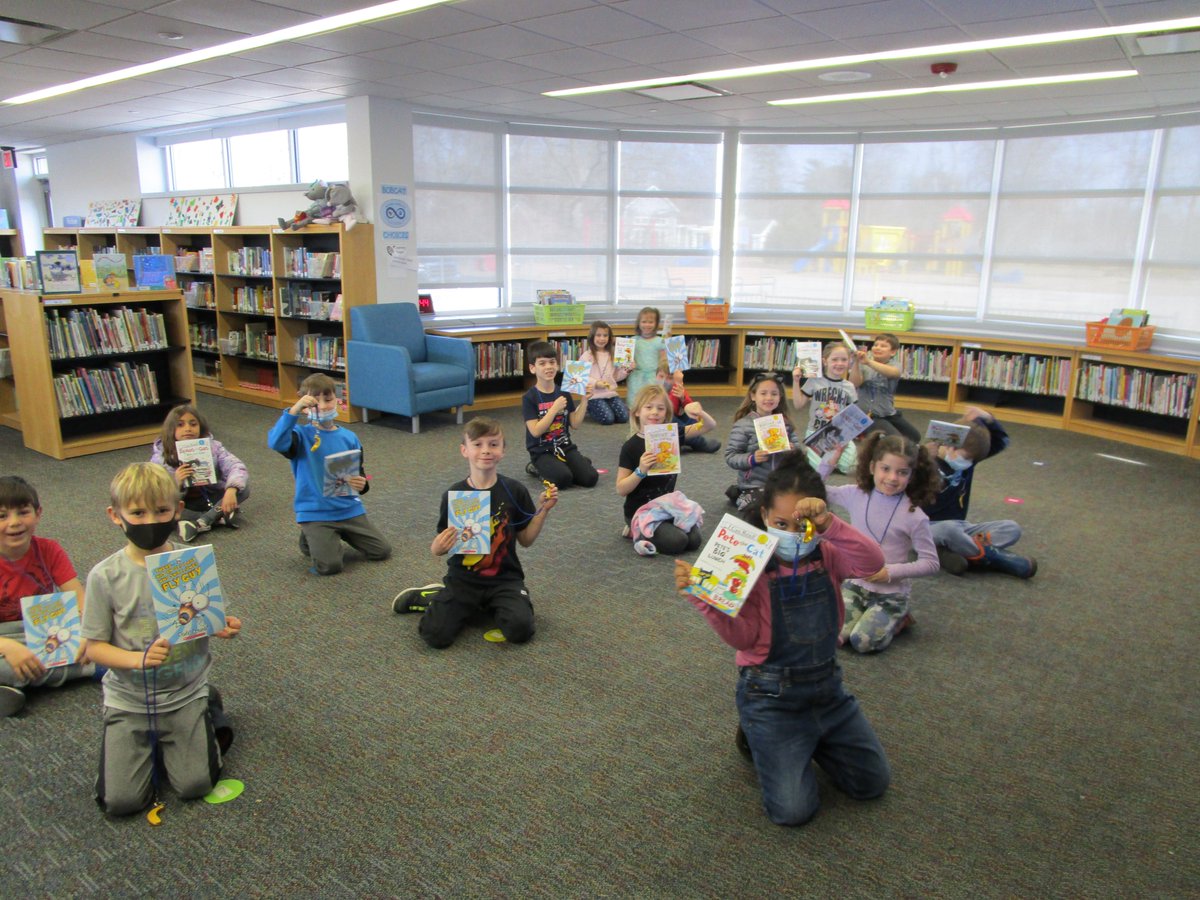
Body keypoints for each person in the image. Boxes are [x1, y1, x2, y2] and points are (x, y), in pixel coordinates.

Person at [673, 452, 890, 826]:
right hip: (770, 695)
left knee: (872, 783)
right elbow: (743, 639)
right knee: (793, 811)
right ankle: (762, 734)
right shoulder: (751, 563)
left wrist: (830, 525)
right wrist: (705, 599)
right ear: (763, 518)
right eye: (781, 523)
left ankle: (812, 740)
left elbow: (872, 563)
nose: (792, 533)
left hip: (828, 691)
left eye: (803, 524)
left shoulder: (828, 554)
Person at [81, 463, 241, 816]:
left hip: (184, 690)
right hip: (129, 698)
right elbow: (94, 647)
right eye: (137, 513)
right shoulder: (105, 577)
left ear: (177, 511)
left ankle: (208, 708)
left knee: (195, 785)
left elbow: (207, 617)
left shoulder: (189, 564)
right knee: (121, 802)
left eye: (161, 511)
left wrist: (221, 625)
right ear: (115, 515)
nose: (149, 520)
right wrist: (137, 660)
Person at [392, 417, 558, 649]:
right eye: (478, 444)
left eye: (493, 444)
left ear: (503, 450)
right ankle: (433, 596)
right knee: (434, 635)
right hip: (464, 580)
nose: (486, 451)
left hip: (505, 579)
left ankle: (486, 605)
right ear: (464, 450)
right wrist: (437, 548)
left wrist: (543, 511)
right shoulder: (455, 494)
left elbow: (526, 540)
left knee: (520, 630)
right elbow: (441, 544)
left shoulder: (514, 490)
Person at [821, 433, 940, 653]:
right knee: (833, 636)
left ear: (912, 476)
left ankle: (900, 618)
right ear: (872, 467)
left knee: (862, 643)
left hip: (890, 594)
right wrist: (831, 459)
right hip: (855, 584)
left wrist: (890, 572)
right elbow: (815, 490)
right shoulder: (855, 494)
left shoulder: (915, 515)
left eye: (902, 472)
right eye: (886, 469)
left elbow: (931, 563)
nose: (893, 478)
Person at [268, 373, 392, 575]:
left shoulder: (349, 436)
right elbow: (276, 442)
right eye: (315, 402)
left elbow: (359, 472)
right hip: (316, 511)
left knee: (382, 551)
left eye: (328, 399)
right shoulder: (300, 435)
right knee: (330, 566)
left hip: (348, 508)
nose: (323, 406)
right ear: (306, 407)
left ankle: (329, 535)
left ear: (337, 400)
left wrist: (363, 484)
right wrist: (293, 411)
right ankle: (310, 536)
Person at [0, 475, 95, 717]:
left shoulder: (48, 549)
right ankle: (93, 668)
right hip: (4, 636)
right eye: (2, 516)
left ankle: (20, 680)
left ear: (38, 513)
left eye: (23, 512)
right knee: (8, 663)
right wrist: (8, 646)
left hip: (46, 631)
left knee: (110, 623)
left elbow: (79, 599)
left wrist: (86, 633)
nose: (14, 523)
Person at [922, 406, 1037, 578]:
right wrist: (920, 454)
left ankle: (956, 552)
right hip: (924, 529)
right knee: (950, 530)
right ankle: (992, 557)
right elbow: (896, 466)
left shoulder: (966, 465)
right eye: (966, 458)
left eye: (972, 460)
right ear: (949, 446)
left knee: (1011, 528)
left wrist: (988, 418)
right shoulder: (925, 464)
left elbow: (1001, 441)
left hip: (961, 527)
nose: (968, 463)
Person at [617, 383, 716, 556]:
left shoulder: (671, 435)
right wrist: (640, 470)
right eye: (649, 407)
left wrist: (699, 412)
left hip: (668, 506)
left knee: (694, 541)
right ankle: (635, 529)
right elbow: (621, 489)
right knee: (678, 542)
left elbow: (709, 425)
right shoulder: (630, 447)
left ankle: (657, 529)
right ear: (637, 412)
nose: (655, 412)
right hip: (641, 510)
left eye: (660, 408)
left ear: (666, 414)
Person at [151, 403, 250, 543]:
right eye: (180, 425)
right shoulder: (161, 458)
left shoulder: (213, 446)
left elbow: (236, 465)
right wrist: (176, 483)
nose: (188, 429)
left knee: (242, 487)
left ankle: (200, 523)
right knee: (161, 515)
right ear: (170, 429)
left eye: (193, 424)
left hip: (210, 496)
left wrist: (231, 489)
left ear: (200, 427)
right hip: (183, 503)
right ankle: (217, 517)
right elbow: (155, 493)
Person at [523, 341, 599, 489]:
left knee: (590, 478)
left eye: (552, 362)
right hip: (542, 451)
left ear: (557, 365)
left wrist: (584, 400)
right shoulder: (529, 397)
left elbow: (575, 424)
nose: (548, 367)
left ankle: (572, 463)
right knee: (563, 479)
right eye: (542, 363)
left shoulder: (563, 392)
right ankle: (537, 468)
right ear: (533, 368)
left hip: (564, 446)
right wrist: (554, 409)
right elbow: (536, 431)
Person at [724, 370, 800, 510]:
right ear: (753, 396)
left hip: (781, 482)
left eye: (774, 394)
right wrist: (752, 458)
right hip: (753, 484)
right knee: (762, 510)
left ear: (780, 397)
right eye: (763, 393)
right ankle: (740, 493)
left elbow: (799, 451)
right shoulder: (743, 425)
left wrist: (793, 449)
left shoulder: (785, 423)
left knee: (797, 506)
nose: (769, 398)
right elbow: (731, 456)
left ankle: (738, 493)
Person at [793, 341, 860, 473]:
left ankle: (827, 457)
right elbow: (798, 404)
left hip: (839, 434)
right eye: (834, 359)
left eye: (844, 360)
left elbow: (852, 416)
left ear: (849, 362)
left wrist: (847, 438)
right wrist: (796, 381)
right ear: (825, 361)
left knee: (849, 468)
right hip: (816, 432)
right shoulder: (814, 381)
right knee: (820, 468)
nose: (839, 363)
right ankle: (810, 452)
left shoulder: (849, 387)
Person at [849, 334, 922, 444]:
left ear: (893, 352)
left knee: (914, 437)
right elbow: (854, 383)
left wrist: (868, 361)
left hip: (887, 413)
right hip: (868, 414)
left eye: (883, 346)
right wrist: (856, 363)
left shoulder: (895, 365)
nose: (877, 347)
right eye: (875, 345)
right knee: (896, 441)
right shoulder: (863, 365)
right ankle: (863, 432)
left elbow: (893, 373)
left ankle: (870, 434)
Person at [579, 320, 628, 426]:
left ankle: (604, 406)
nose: (602, 338)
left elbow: (615, 377)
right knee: (608, 419)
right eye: (598, 335)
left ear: (609, 338)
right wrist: (596, 383)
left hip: (610, 393)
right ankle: (588, 406)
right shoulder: (587, 356)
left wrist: (626, 370)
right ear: (592, 337)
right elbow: (580, 377)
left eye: (605, 335)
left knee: (624, 417)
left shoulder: (613, 354)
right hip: (593, 395)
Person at [661, 368, 721, 453]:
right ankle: (699, 442)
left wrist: (682, 398)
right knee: (669, 418)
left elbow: (690, 407)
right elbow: (663, 411)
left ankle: (683, 439)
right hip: (663, 424)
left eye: (670, 378)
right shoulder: (654, 391)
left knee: (691, 417)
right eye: (661, 376)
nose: (665, 381)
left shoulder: (676, 388)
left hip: (676, 424)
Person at [624, 306, 668, 401]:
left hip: (654, 377)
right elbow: (624, 361)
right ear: (639, 323)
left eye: (651, 322)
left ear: (656, 324)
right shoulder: (632, 340)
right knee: (635, 401)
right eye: (644, 322)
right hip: (636, 377)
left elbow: (665, 360)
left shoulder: (661, 341)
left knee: (652, 400)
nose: (647, 325)